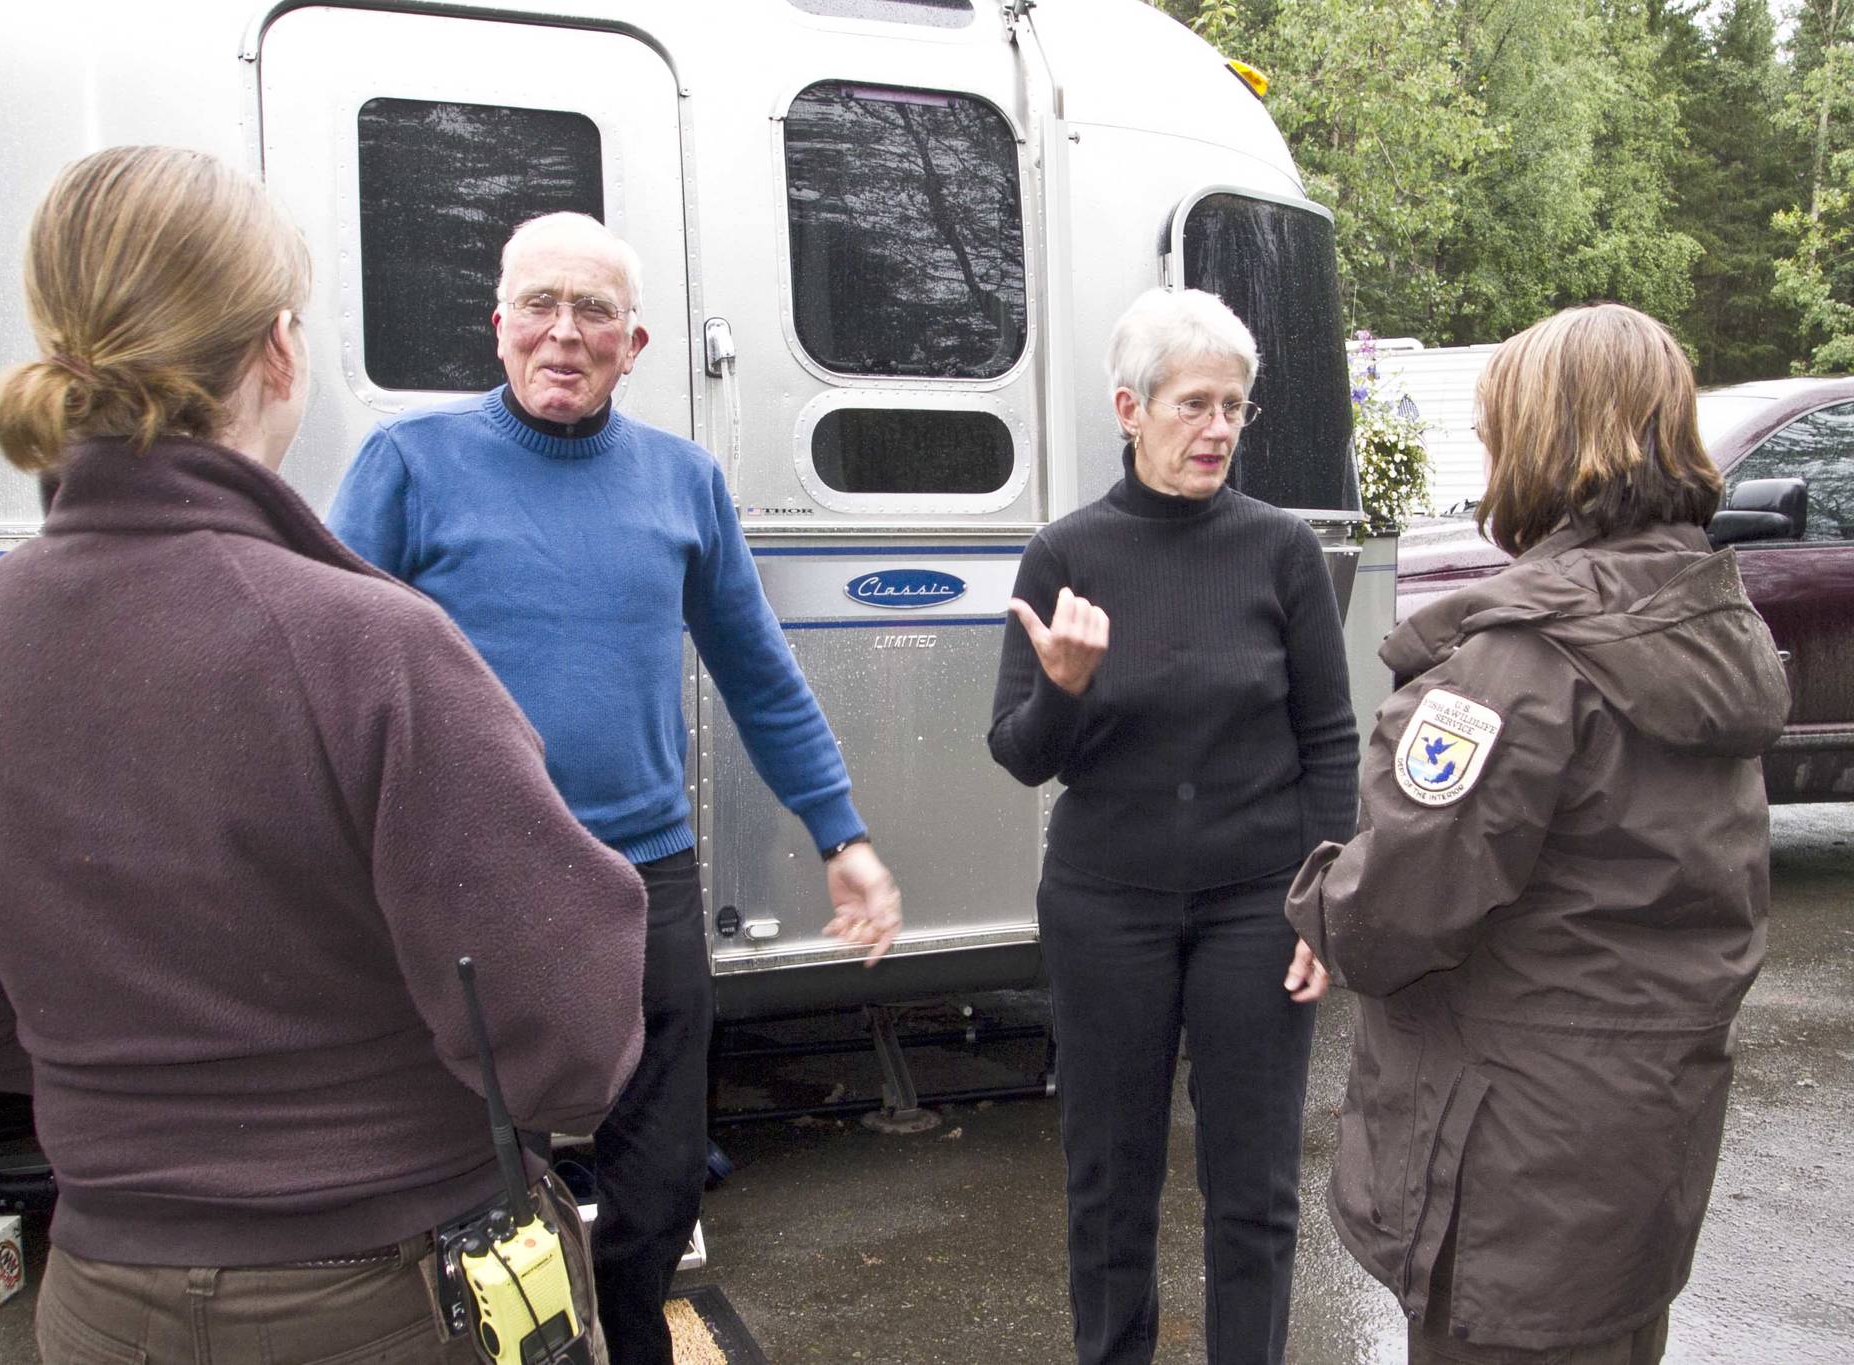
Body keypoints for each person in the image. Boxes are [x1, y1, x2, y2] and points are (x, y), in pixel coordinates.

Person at [0, 146, 648, 1363]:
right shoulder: (369, 645)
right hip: (384, 1296)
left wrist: (141, 1098)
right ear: (278, 348)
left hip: (105, 1298)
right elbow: (563, 1036)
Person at [327, 210, 903, 1365]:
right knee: (484, 1172)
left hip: (645, 875)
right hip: (471, 882)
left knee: (659, 1167)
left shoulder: (681, 482)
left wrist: (839, 831)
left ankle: (632, 1334)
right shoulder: (407, 466)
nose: (563, 333)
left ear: (633, 344)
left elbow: (758, 672)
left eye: (593, 311)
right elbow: (326, 674)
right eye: (538, 305)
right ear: (497, 328)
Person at [1286, 303, 1791, 1364]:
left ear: (1542, 440)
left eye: (1492, 426)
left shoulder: (1523, 665)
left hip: (1514, 1179)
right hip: (1634, 1152)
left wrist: (1315, 893)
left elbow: (1388, 919)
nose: (1483, 449)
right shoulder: (1710, 621)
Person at [988, 287, 1359, 1365]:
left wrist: (1320, 904)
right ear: (1128, 408)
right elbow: (1020, 756)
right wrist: (1060, 687)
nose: (1216, 430)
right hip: (1106, 907)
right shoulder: (1064, 554)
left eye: (1233, 407)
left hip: (1256, 905)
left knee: (1253, 1187)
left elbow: (1328, 739)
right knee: (1109, 1185)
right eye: (1192, 404)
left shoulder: (1279, 550)